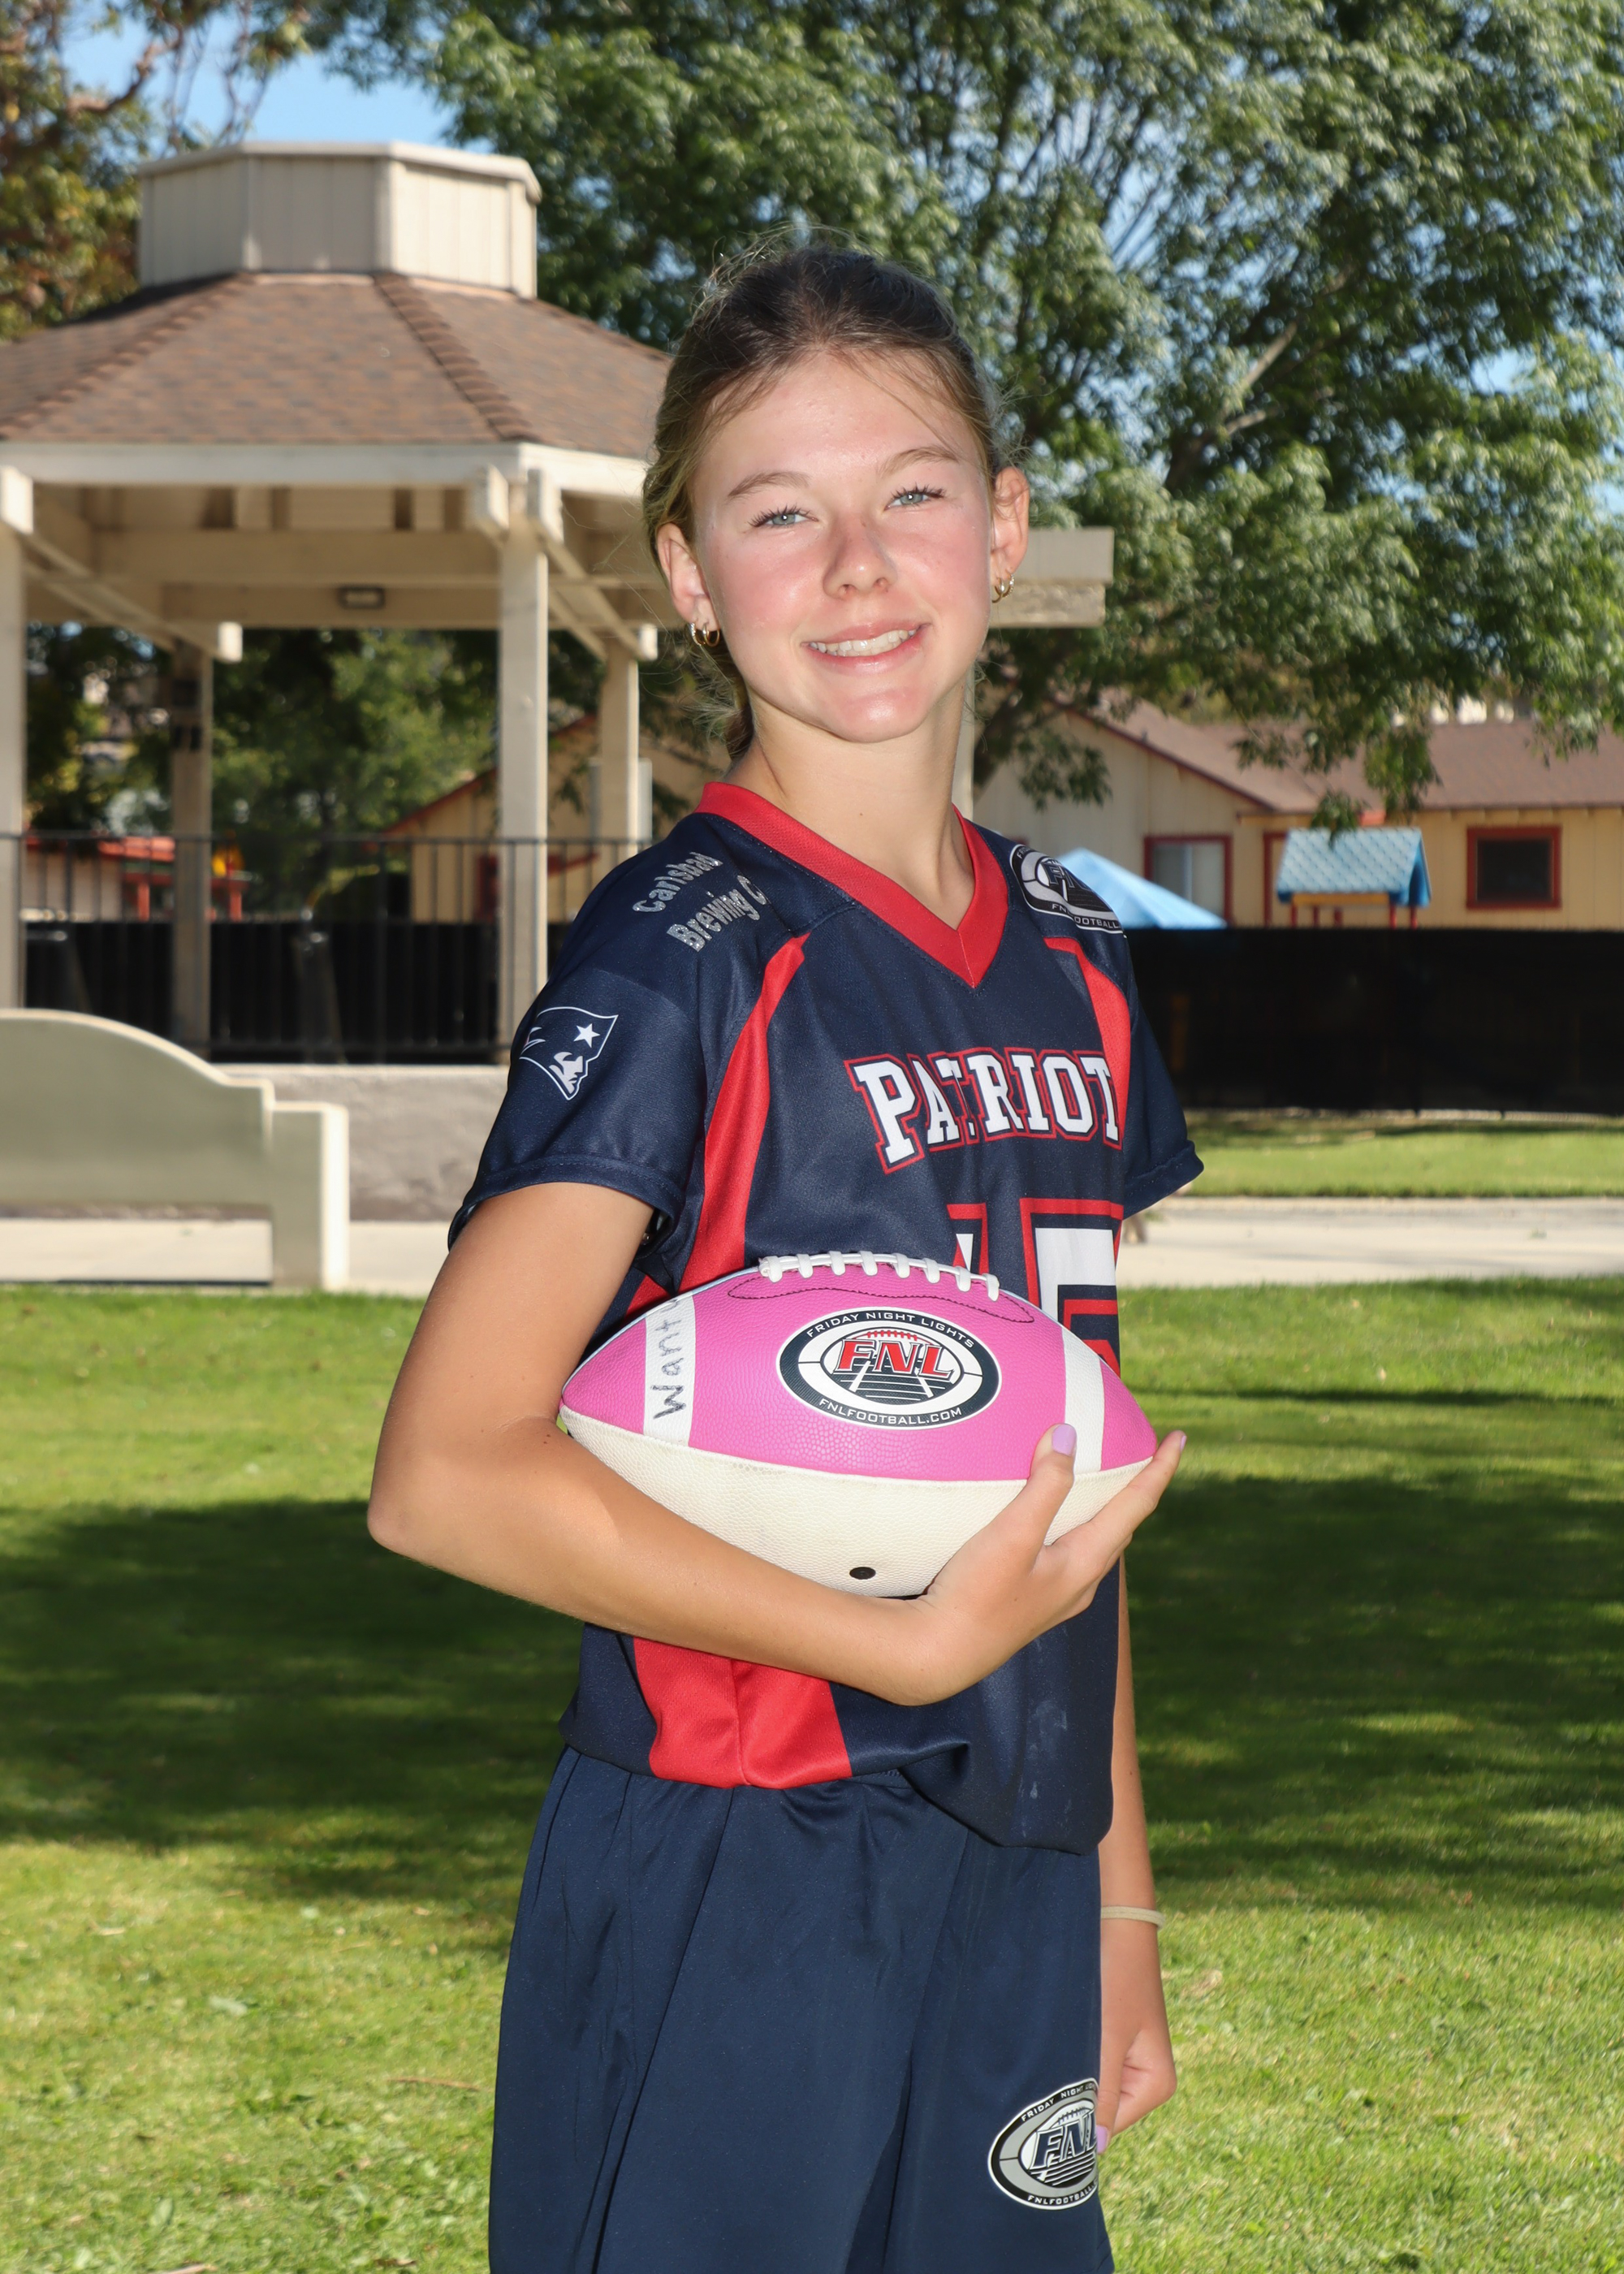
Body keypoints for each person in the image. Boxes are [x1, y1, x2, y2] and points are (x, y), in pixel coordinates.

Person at [369, 243, 1199, 2274]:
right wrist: (887, 1645)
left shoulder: (1078, 957)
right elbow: (445, 1471)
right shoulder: (680, 959)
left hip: (1015, 1850)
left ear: (1003, 526)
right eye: (777, 513)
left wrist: (1116, 1889)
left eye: (911, 491)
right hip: (734, 1851)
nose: (856, 566)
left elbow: (1068, 1481)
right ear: (685, 571)